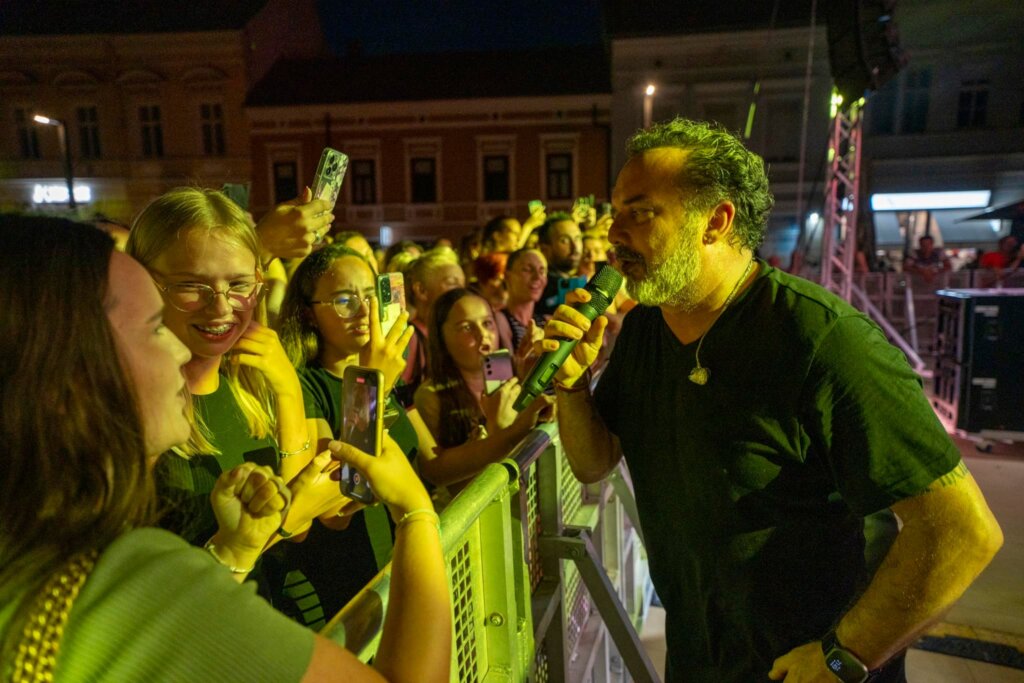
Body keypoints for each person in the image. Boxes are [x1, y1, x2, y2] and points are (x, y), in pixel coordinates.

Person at [543, 118, 1003, 683]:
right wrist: (571, 385)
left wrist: (844, 656)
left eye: (640, 212)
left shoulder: (823, 340)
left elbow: (961, 531)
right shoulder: (642, 333)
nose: (615, 232)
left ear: (716, 220)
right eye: (616, 212)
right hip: (700, 661)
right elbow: (595, 460)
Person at [0, 215, 450, 682]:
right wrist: (416, 512)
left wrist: (231, 552)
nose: (178, 350)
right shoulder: (125, 579)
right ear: (70, 372)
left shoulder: (39, 551)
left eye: (240, 284)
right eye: (156, 326)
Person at [125, 188, 323, 550]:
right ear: (144, 283)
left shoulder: (256, 383)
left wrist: (289, 391)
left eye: (238, 285)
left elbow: (299, 532)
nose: (220, 308)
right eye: (191, 285)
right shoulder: (130, 409)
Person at [275, 243, 437, 624]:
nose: (365, 312)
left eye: (371, 296)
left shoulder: (380, 372)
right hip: (347, 586)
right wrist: (372, 388)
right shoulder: (306, 386)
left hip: (396, 565)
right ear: (308, 314)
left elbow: (432, 464)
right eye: (345, 300)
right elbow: (338, 509)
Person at [414, 288, 551, 494]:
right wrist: (496, 429)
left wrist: (535, 375)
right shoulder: (431, 396)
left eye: (487, 323)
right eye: (466, 327)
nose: (482, 335)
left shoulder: (508, 372)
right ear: (442, 338)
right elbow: (450, 483)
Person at [398, 249, 466, 407]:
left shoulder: (451, 333)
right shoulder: (411, 338)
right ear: (421, 290)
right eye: (452, 283)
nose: (461, 292)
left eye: (462, 284)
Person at [496, 248, 548, 354]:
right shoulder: (497, 320)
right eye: (527, 270)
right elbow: (502, 368)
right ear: (507, 277)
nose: (537, 277)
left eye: (542, 271)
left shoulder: (547, 321)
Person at [535, 213, 583, 316]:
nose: (575, 247)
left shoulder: (582, 280)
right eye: (564, 240)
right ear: (544, 249)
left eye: (578, 238)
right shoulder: (536, 287)